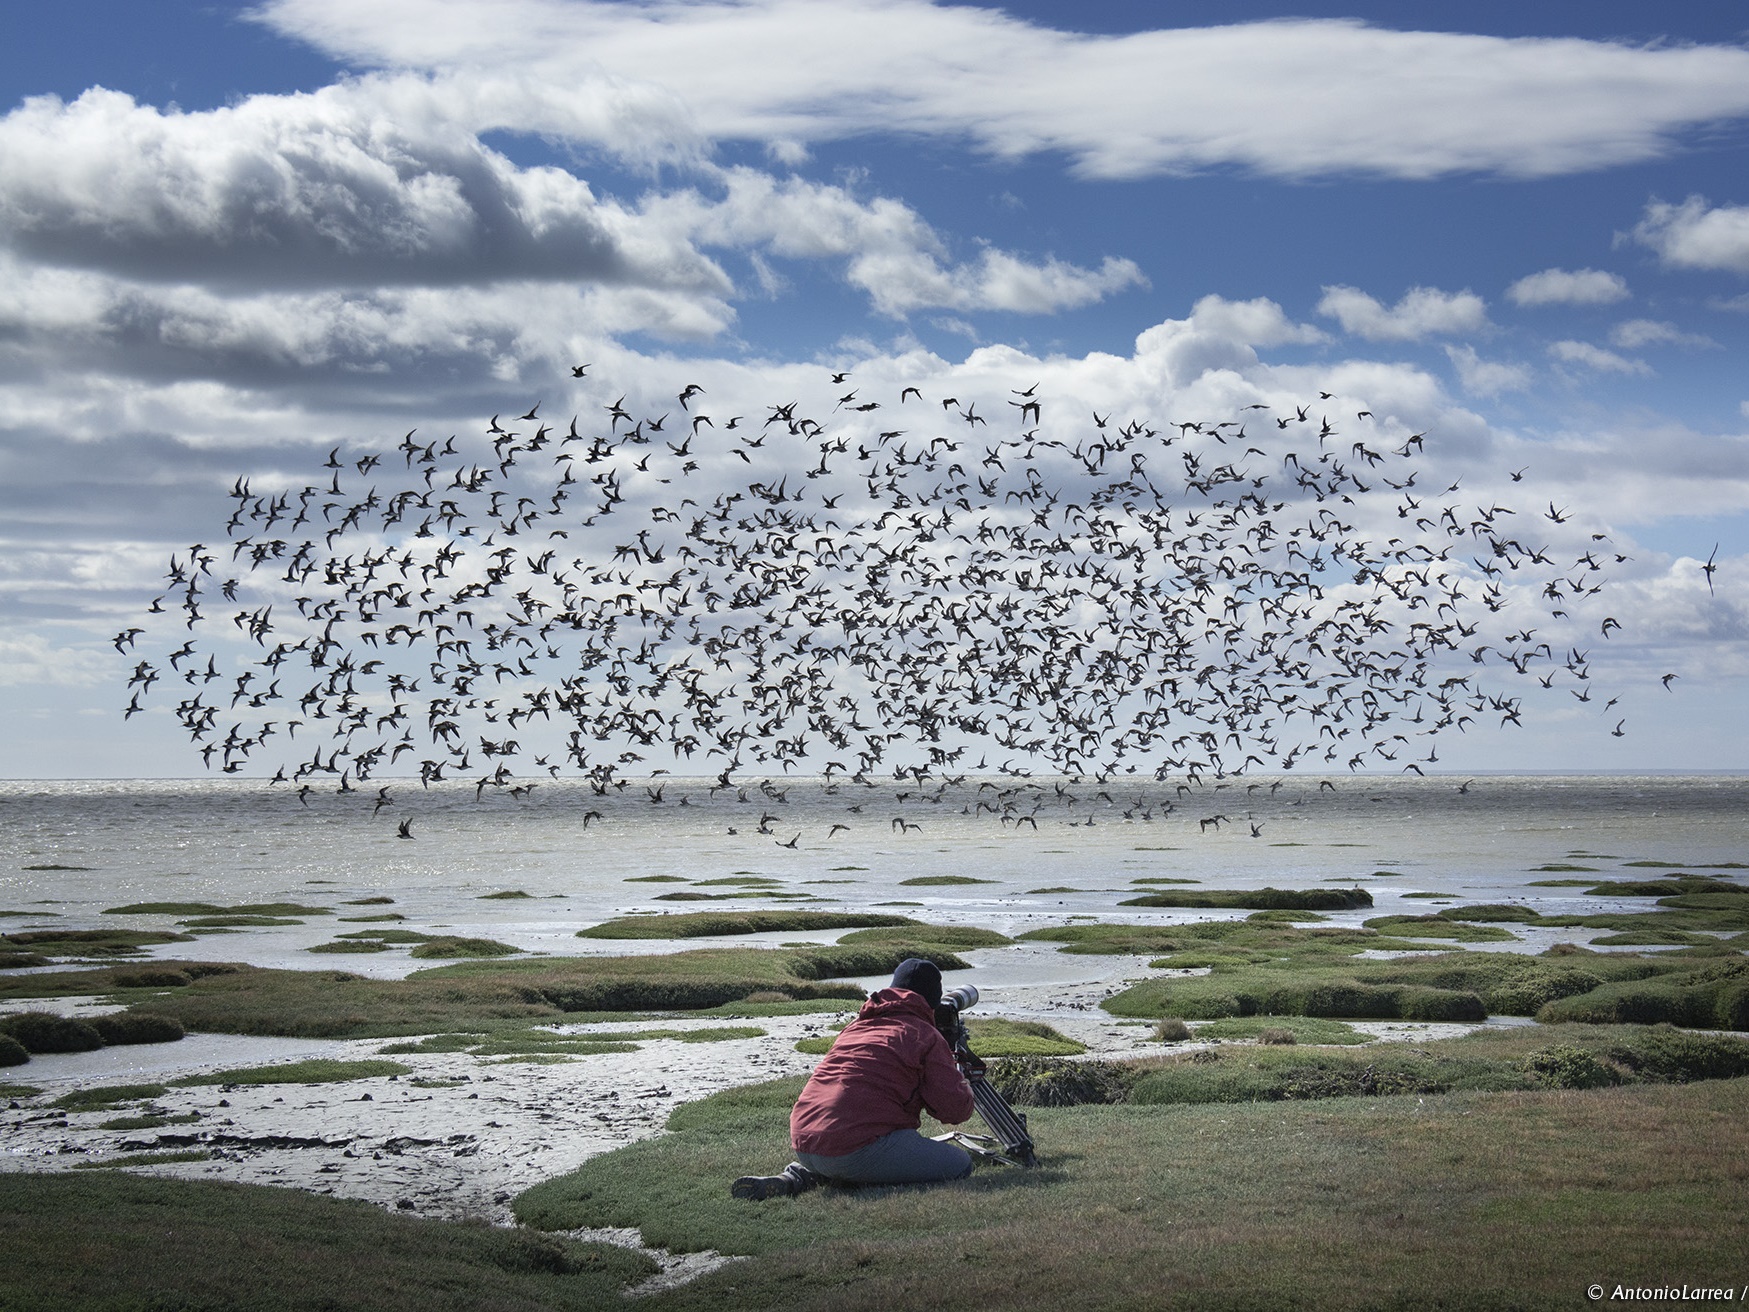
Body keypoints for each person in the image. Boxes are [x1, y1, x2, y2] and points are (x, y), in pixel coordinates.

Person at [731, 958, 976, 1200]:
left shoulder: (856, 1026)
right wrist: (960, 1077)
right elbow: (954, 1111)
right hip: (856, 1147)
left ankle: (797, 1176)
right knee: (959, 1163)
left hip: (804, 1140)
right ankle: (855, 1176)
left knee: (861, 1144)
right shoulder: (924, 1035)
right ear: (932, 1002)